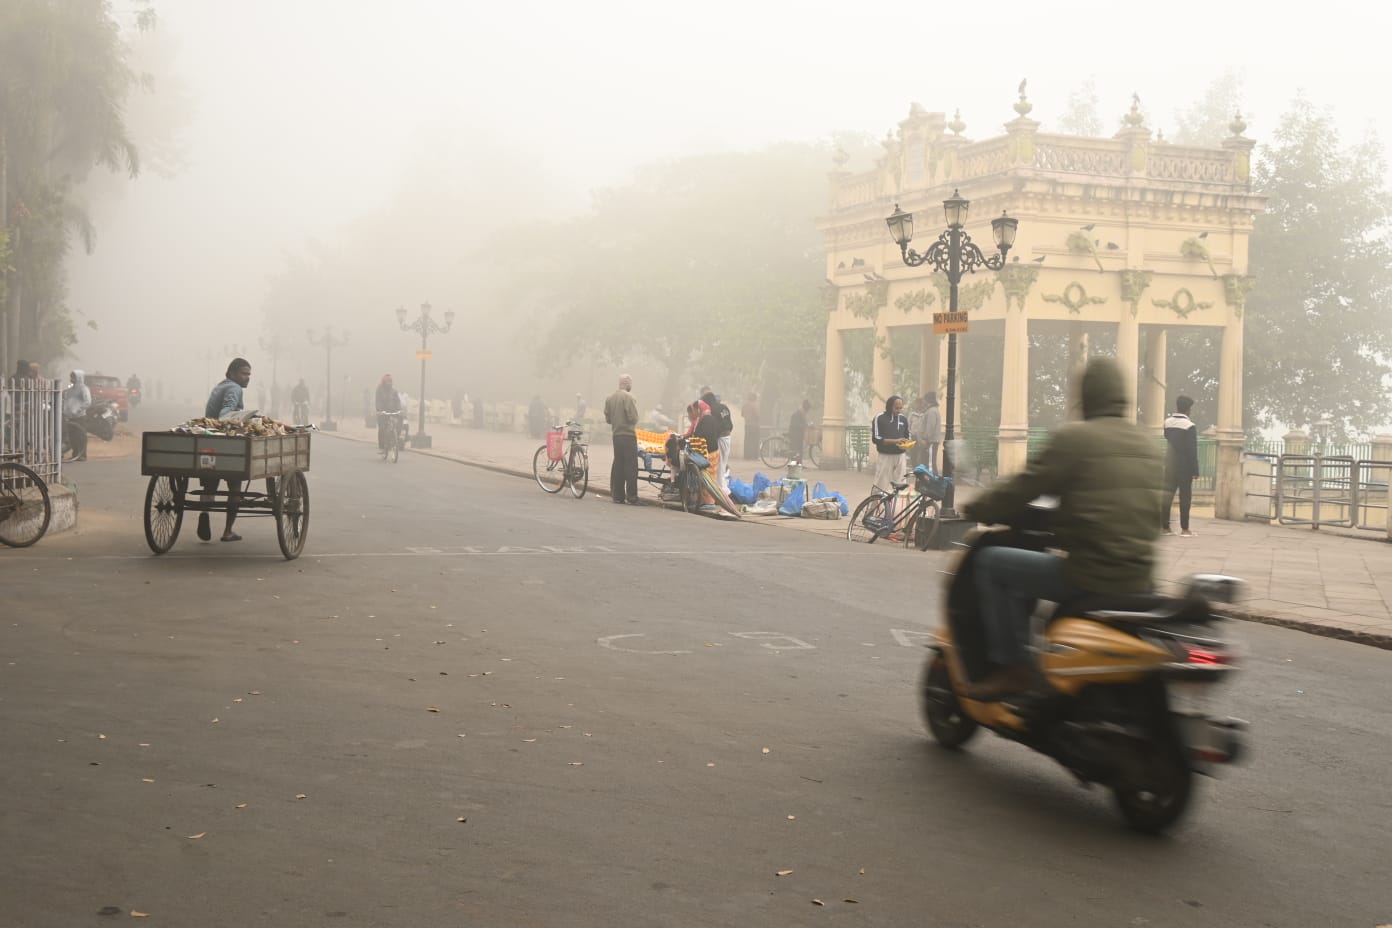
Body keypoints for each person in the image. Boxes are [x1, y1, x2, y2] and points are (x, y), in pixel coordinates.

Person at [961, 357, 1165, 700]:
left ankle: (1015, 668)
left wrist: (978, 507)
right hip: (1143, 578)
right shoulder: (1152, 446)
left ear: (1087, 397)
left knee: (992, 564)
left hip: (1090, 574)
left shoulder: (1076, 438)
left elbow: (1023, 486)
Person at [198, 358, 253, 543]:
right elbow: (225, 415)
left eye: (248, 374)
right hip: (227, 444)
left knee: (210, 483)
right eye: (243, 373)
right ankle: (227, 531)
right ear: (231, 373)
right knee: (234, 486)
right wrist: (247, 418)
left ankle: (204, 512)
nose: (247, 378)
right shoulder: (234, 388)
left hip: (209, 442)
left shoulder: (220, 386)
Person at [1162, 395, 1200, 537]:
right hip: (1184, 467)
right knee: (1185, 498)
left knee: (1167, 496)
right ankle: (1185, 529)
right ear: (1188, 409)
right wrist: (1195, 470)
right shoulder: (1190, 426)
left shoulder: (1167, 423)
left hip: (1169, 463)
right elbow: (1192, 450)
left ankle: (1165, 527)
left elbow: (1167, 437)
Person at [872, 395, 910, 524]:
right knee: (880, 486)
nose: (899, 410)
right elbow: (876, 439)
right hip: (885, 456)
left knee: (901, 486)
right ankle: (871, 513)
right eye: (896, 408)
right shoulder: (880, 418)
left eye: (900, 408)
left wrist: (906, 442)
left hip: (901, 456)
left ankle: (897, 517)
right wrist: (895, 441)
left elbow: (906, 436)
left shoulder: (904, 419)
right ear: (889, 406)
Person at [604, 375, 639, 504]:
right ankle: (632, 496)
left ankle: (618, 496)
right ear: (627, 383)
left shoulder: (610, 398)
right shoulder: (629, 397)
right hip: (628, 435)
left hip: (616, 435)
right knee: (631, 466)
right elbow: (633, 418)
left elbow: (608, 419)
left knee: (618, 464)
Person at [699, 386, 734, 492]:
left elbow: (714, 427)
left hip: (720, 438)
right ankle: (722, 488)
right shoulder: (724, 407)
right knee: (722, 463)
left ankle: (721, 490)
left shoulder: (712, 410)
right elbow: (729, 424)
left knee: (718, 465)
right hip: (727, 437)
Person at [914, 392, 942, 472]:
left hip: (930, 442)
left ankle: (933, 483)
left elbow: (930, 427)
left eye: (924, 400)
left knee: (930, 464)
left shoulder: (932, 411)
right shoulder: (931, 410)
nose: (923, 402)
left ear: (928, 400)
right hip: (929, 442)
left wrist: (925, 440)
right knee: (927, 463)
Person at [375, 374, 403, 450]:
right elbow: (378, 401)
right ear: (383, 382)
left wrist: (399, 410)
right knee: (382, 429)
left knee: (400, 423)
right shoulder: (379, 390)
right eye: (387, 381)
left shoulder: (394, 391)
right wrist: (380, 410)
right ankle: (381, 447)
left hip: (393, 411)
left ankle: (396, 439)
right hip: (383, 413)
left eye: (390, 381)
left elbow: (397, 401)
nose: (389, 383)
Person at [741, 392, 760, 460]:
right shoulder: (754, 405)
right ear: (755, 398)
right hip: (754, 425)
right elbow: (757, 415)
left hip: (747, 425)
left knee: (747, 441)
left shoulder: (745, 405)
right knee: (755, 441)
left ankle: (747, 456)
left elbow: (742, 414)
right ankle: (754, 456)